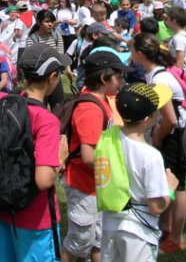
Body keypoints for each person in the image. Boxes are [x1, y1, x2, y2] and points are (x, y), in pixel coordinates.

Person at [0, 44, 67, 262]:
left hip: (0, 208)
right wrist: (60, 158)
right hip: (35, 218)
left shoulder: (0, 100)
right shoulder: (47, 121)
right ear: (53, 77)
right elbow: (44, 180)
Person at [61, 50, 131, 262]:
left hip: (98, 185)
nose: (122, 81)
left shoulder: (103, 102)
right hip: (84, 186)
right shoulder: (90, 108)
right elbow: (89, 156)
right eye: (118, 77)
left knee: (99, 238)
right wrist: (118, 172)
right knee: (78, 241)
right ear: (103, 78)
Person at [99, 83, 178, 262]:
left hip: (110, 224)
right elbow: (156, 206)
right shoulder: (150, 156)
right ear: (148, 119)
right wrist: (170, 189)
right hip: (138, 232)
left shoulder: (107, 138)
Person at [129, 33, 186, 253]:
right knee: (167, 179)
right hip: (172, 132)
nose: (130, 53)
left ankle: (176, 237)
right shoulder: (154, 75)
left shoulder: (158, 80)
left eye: (131, 49)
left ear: (140, 54)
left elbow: (171, 119)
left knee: (178, 184)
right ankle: (167, 226)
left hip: (175, 134)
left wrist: (158, 137)